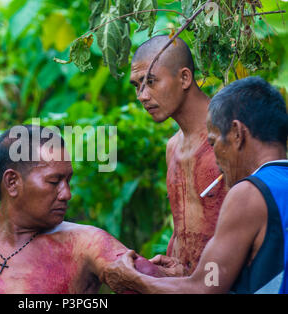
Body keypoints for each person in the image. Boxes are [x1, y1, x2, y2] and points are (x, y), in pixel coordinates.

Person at [103, 76, 288, 293]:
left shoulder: (249, 194)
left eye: (213, 142)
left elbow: (202, 289)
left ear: (237, 133)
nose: (217, 158)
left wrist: (134, 280)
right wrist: (186, 276)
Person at [0, 125, 163, 294]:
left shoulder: (86, 244)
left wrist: (176, 274)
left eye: (68, 181)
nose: (67, 193)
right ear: (12, 182)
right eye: (54, 182)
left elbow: (153, 282)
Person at [130, 35, 228, 275]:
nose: (142, 95)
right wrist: (174, 267)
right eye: (137, 85)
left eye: (150, 81)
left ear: (184, 78)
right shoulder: (172, 147)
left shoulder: (229, 137)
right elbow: (183, 228)